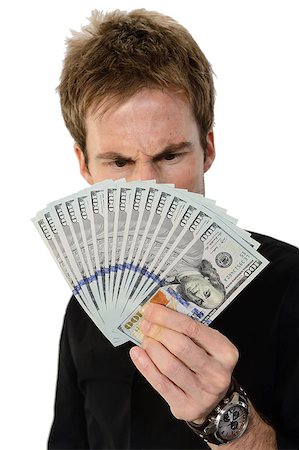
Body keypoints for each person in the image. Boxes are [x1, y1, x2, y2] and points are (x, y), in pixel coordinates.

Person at [48, 8, 299, 449]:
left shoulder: (292, 287)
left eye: (169, 156)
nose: (148, 189)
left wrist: (225, 414)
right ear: (84, 165)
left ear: (207, 149)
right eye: (119, 162)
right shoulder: (85, 310)